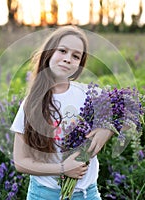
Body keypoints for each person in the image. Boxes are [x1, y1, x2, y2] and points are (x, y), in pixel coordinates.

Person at [10, 25, 114, 199]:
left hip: (86, 194)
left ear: (80, 64)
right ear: (49, 53)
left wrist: (107, 129)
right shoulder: (32, 103)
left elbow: (126, 116)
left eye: (75, 56)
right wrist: (63, 169)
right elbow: (20, 162)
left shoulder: (89, 94)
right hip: (44, 194)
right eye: (63, 51)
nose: (67, 59)